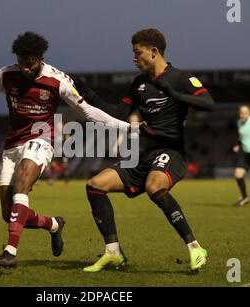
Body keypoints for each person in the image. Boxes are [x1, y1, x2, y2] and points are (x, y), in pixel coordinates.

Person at [0, 32, 130, 268]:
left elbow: (87, 111)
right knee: (8, 213)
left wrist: (125, 126)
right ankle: (53, 224)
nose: (25, 69)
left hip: (41, 140)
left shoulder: (58, 80)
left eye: (30, 64)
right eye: (21, 63)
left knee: (22, 182)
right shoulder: (5, 74)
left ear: (40, 59)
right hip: (12, 145)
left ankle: (10, 252)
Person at [74, 28, 214, 272]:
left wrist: (176, 94)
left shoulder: (182, 78)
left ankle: (195, 247)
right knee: (95, 185)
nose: (134, 58)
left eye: (137, 53)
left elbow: (208, 103)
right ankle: (113, 253)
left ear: (154, 51)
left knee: (154, 186)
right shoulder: (139, 83)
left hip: (171, 152)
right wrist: (88, 94)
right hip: (142, 156)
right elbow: (118, 113)